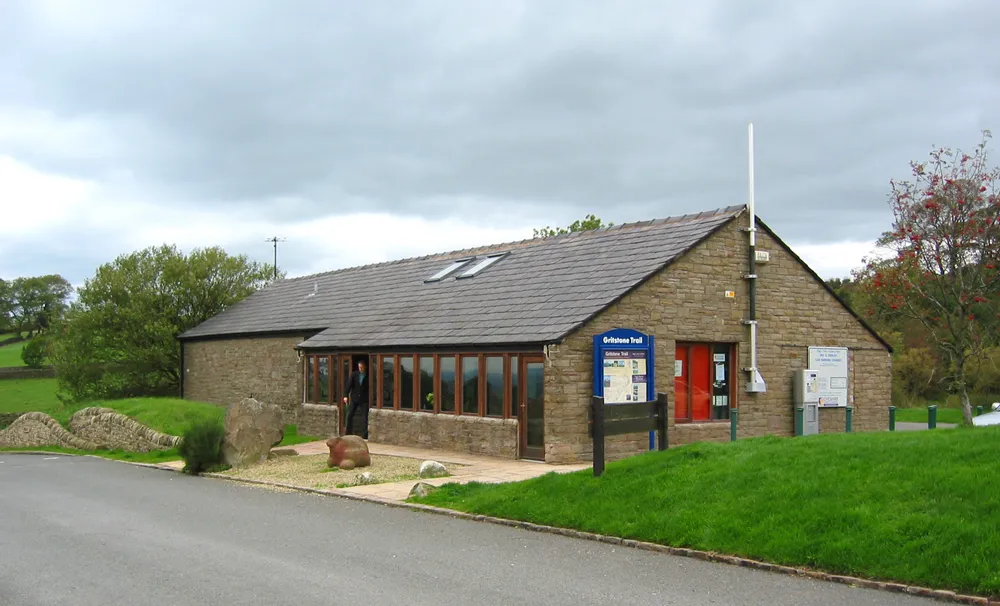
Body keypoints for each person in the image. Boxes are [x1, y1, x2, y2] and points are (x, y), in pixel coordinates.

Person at [342, 359, 371, 439]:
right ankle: (348, 433)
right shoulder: (354, 375)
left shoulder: (368, 375)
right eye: (359, 367)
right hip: (354, 398)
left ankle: (365, 435)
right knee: (349, 414)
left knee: (365, 417)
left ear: (365, 367)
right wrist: (345, 396)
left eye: (362, 367)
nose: (360, 369)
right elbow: (348, 386)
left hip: (364, 399)